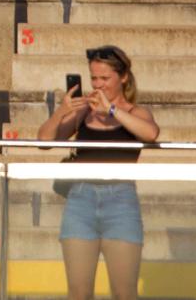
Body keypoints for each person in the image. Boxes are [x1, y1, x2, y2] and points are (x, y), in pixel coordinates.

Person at [36, 45, 160, 300]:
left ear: (123, 77)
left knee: (124, 292)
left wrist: (113, 110)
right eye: (94, 78)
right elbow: (44, 140)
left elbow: (151, 133)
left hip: (121, 201)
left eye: (105, 78)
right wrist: (63, 110)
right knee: (79, 292)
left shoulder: (136, 112)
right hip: (81, 199)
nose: (98, 85)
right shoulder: (84, 113)